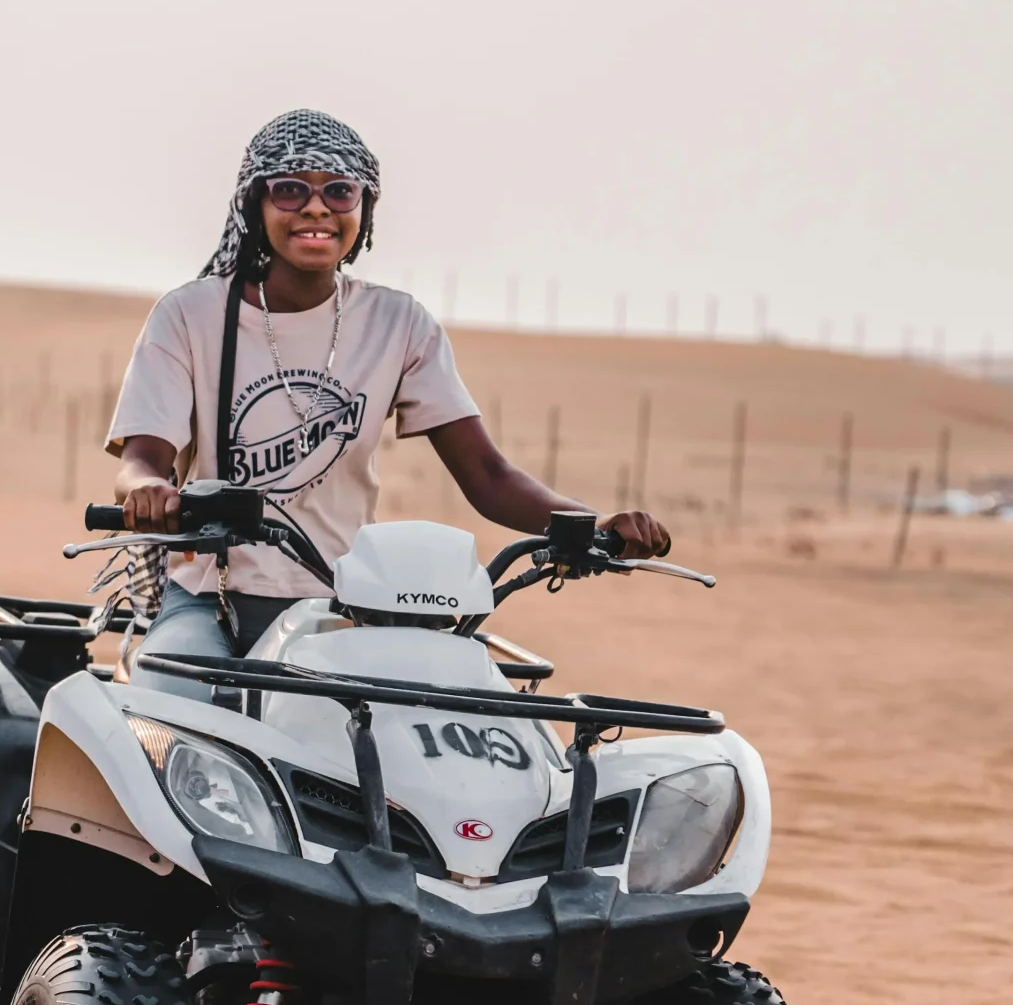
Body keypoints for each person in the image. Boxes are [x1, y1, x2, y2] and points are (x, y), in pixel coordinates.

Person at [106, 109, 667, 698]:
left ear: (364, 211)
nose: (317, 209)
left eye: (340, 192)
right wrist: (148, 490)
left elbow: (487, 474)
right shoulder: (189, 315)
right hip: (207, 597)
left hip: (342, 603)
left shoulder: (397, 324)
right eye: (291, 189)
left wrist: (590, 525)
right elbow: (144, 457)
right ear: (254, 206)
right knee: (168, 700)